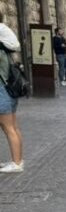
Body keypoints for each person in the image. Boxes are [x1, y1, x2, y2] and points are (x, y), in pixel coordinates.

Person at [0, 12, 23, 173]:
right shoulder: (5, 49)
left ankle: (16, 163)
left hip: (2, 90)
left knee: (8, 127)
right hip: (9, 90)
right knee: (13, 127)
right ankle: (18, 160)